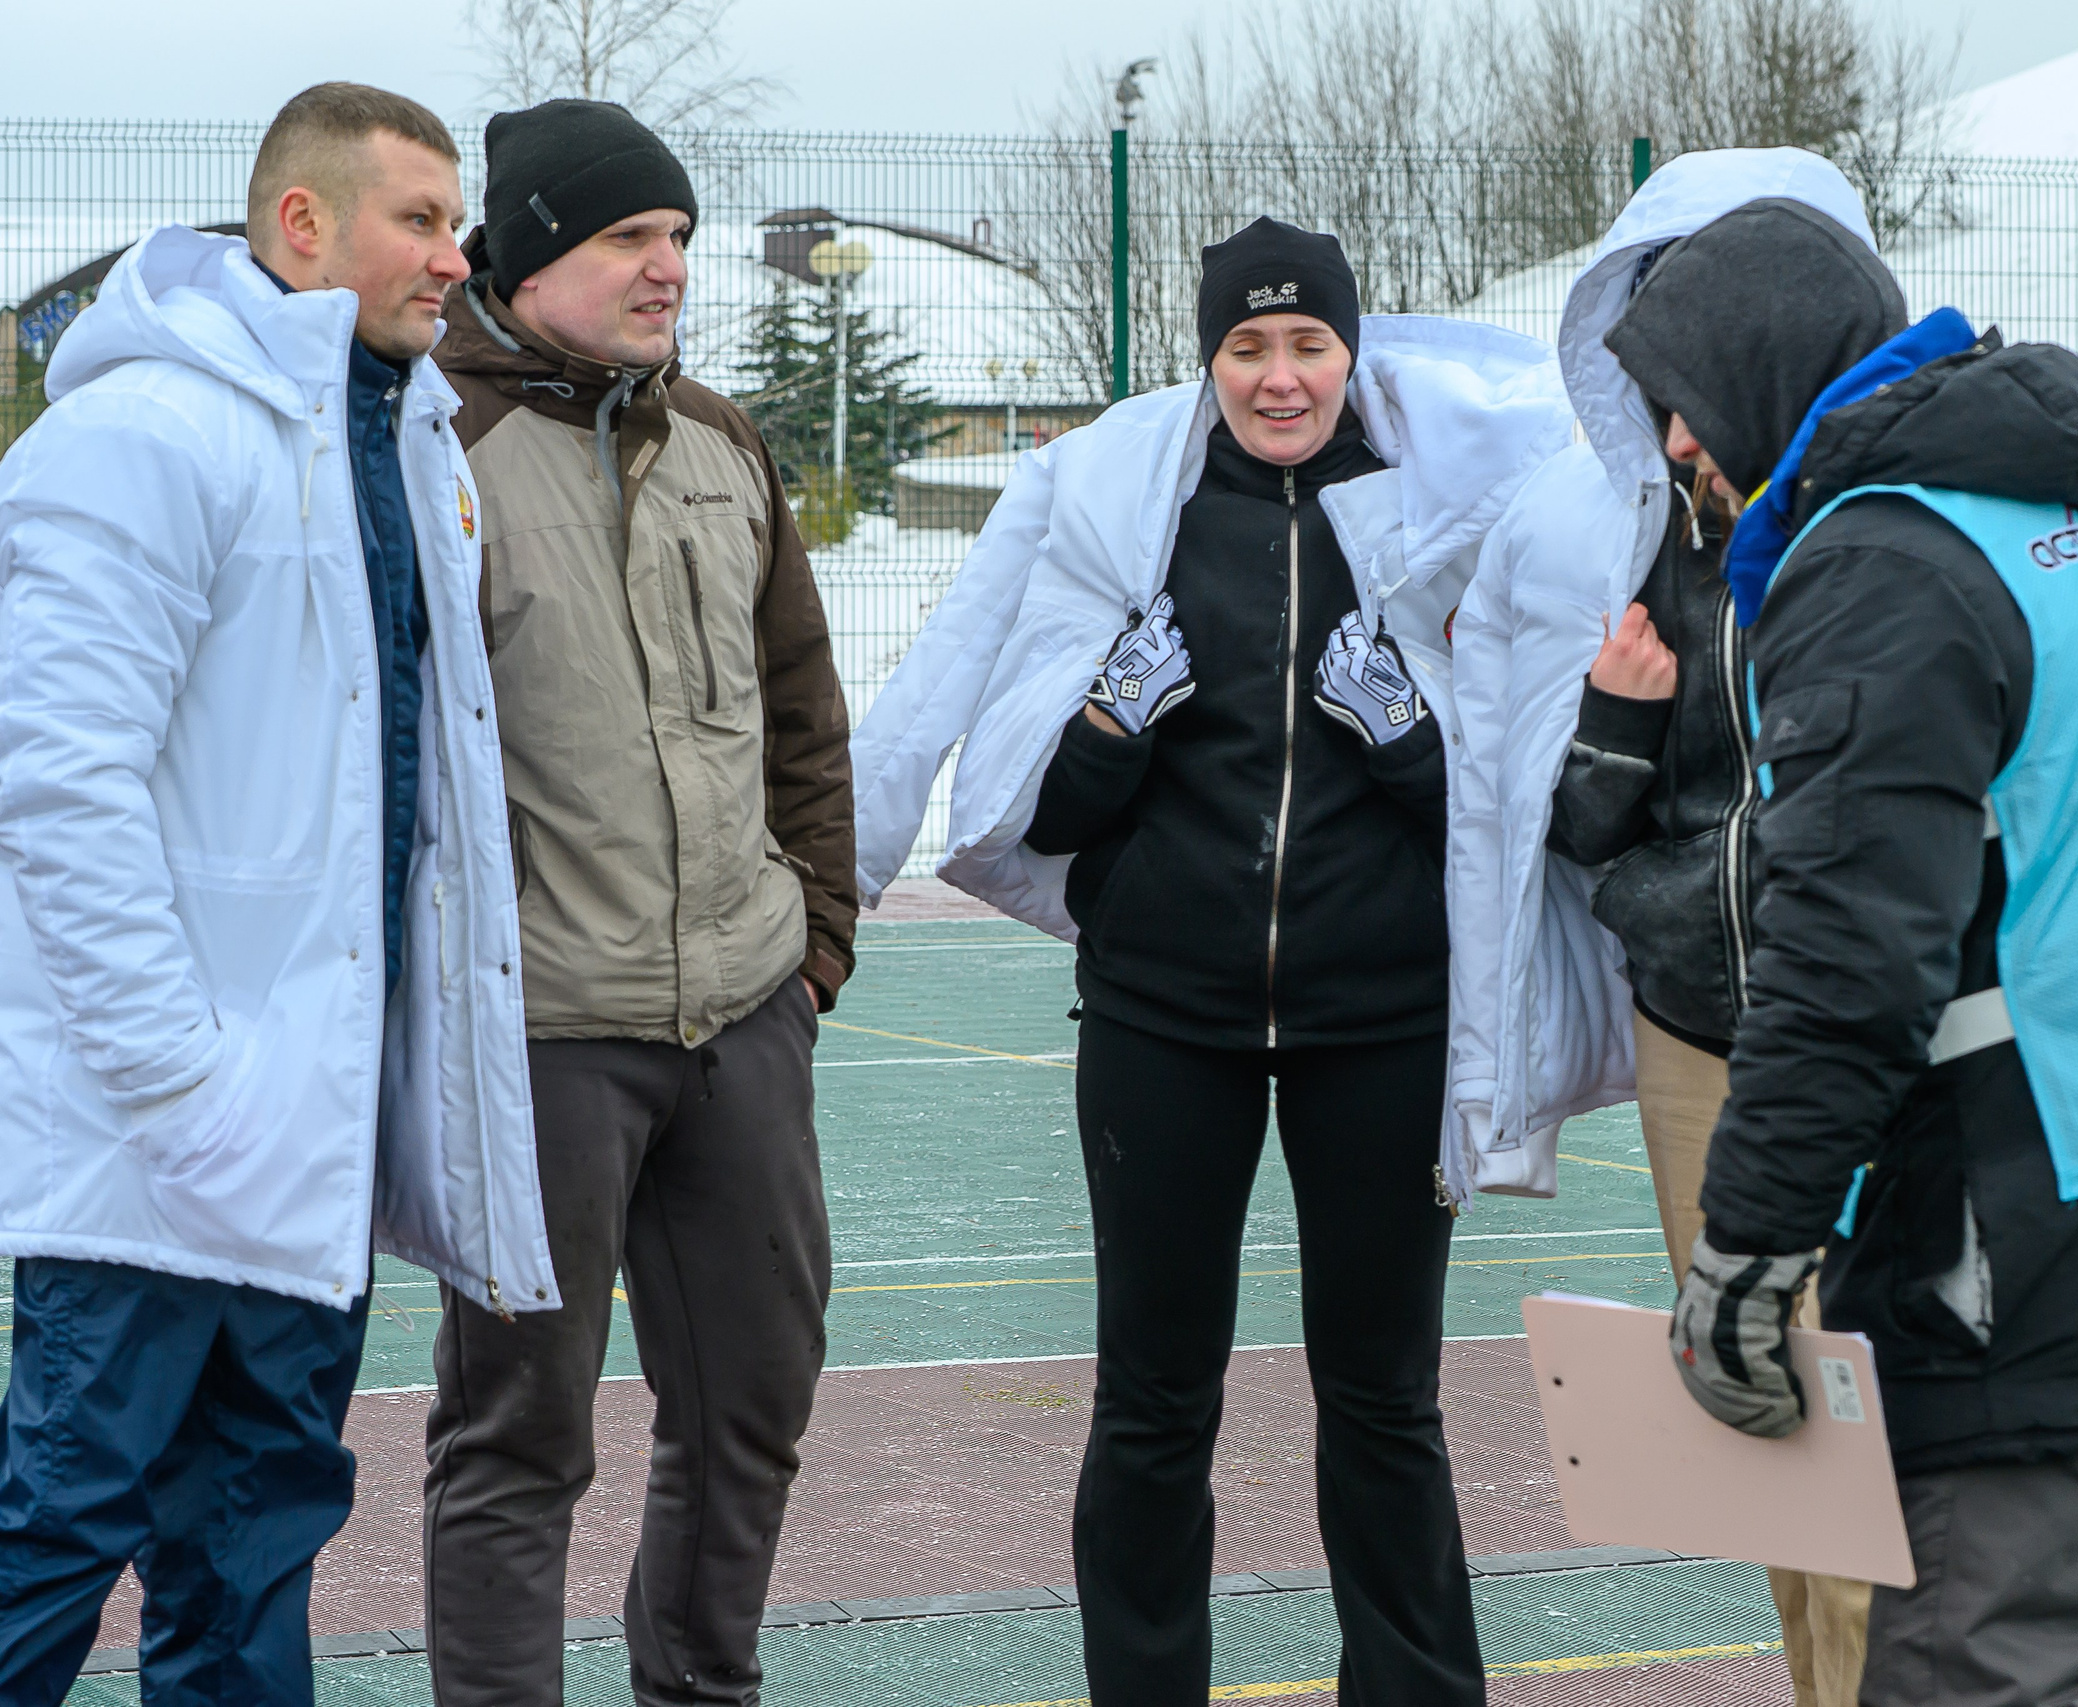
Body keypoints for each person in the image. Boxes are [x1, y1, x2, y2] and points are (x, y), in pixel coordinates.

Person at [1619, 198, 2078, 1705]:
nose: (1677, 443)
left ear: (1757, 370)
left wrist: (1749, 1254)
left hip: (2037, 1258)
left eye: (1678, 397)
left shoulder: (1879, 562)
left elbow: (1850, 965)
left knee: (1973, 1678)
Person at [854, 219, 1570, 1705]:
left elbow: (1500, 821)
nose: (1280, 376)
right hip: (1164, 1021)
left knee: (1384, 1402)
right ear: (1208, 361)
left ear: (1352, 354)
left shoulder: (1438, 518)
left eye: (1308, 342)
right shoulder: (1138, 519)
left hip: (1380, 1022)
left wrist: (1410, 739)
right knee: (1154, 1402)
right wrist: (1111, 722)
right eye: (1246, 346)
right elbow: (1041, 811)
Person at [0, 83, 550, 1700]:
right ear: (301, 223)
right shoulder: (142, 435)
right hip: (154, 1144)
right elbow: (57, 779)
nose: (457, 258)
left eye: (459, 224)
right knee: (57, 1527)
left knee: (252, 1549)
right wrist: (180, 1077)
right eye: (420, 220)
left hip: (303, 1138)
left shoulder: (405, 443)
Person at [420, 100, 859, 1707]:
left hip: (742, 1013)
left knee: (753, 1403)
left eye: (677, 238)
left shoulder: (726, 442)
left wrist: (808, 949)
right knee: (519, 1431)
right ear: (532, 252)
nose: (668, 268)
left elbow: (803, 708)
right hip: (541, 1033)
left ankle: (699, 1690)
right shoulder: (431, 448)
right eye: (629, 239)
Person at [1442, 147, 1883, 1707]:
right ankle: (1818, 1683)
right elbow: (1561, 824)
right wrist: (1620, 726)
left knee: (1886, 1410)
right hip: (1697, 1022)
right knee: (1765, 1406)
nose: (1685, 417)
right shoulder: (1608, 529)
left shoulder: (1894, 527)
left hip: (1872, 1026)